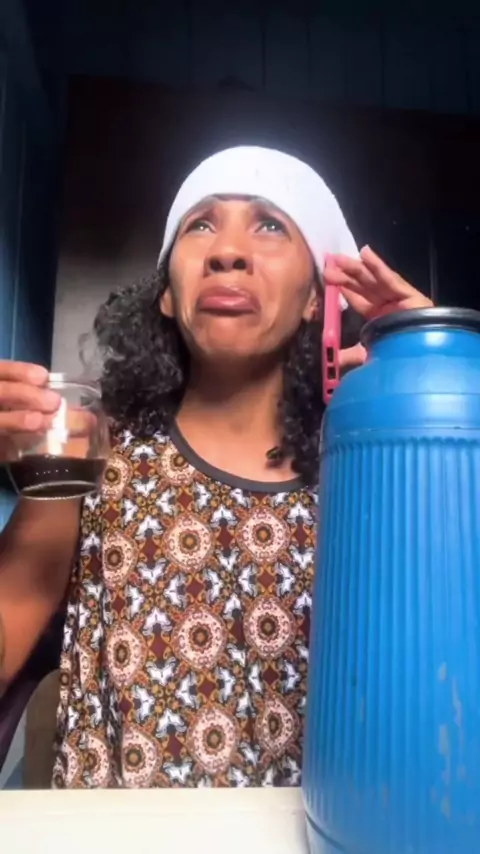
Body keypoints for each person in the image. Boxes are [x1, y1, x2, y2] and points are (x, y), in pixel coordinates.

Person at [0, 146, 432, 788]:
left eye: (270, 225)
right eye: (201, 224)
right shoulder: (91, 450)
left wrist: (439, 378)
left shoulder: (370, 472)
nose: (228, 251)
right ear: (167, 294)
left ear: (318, 302)